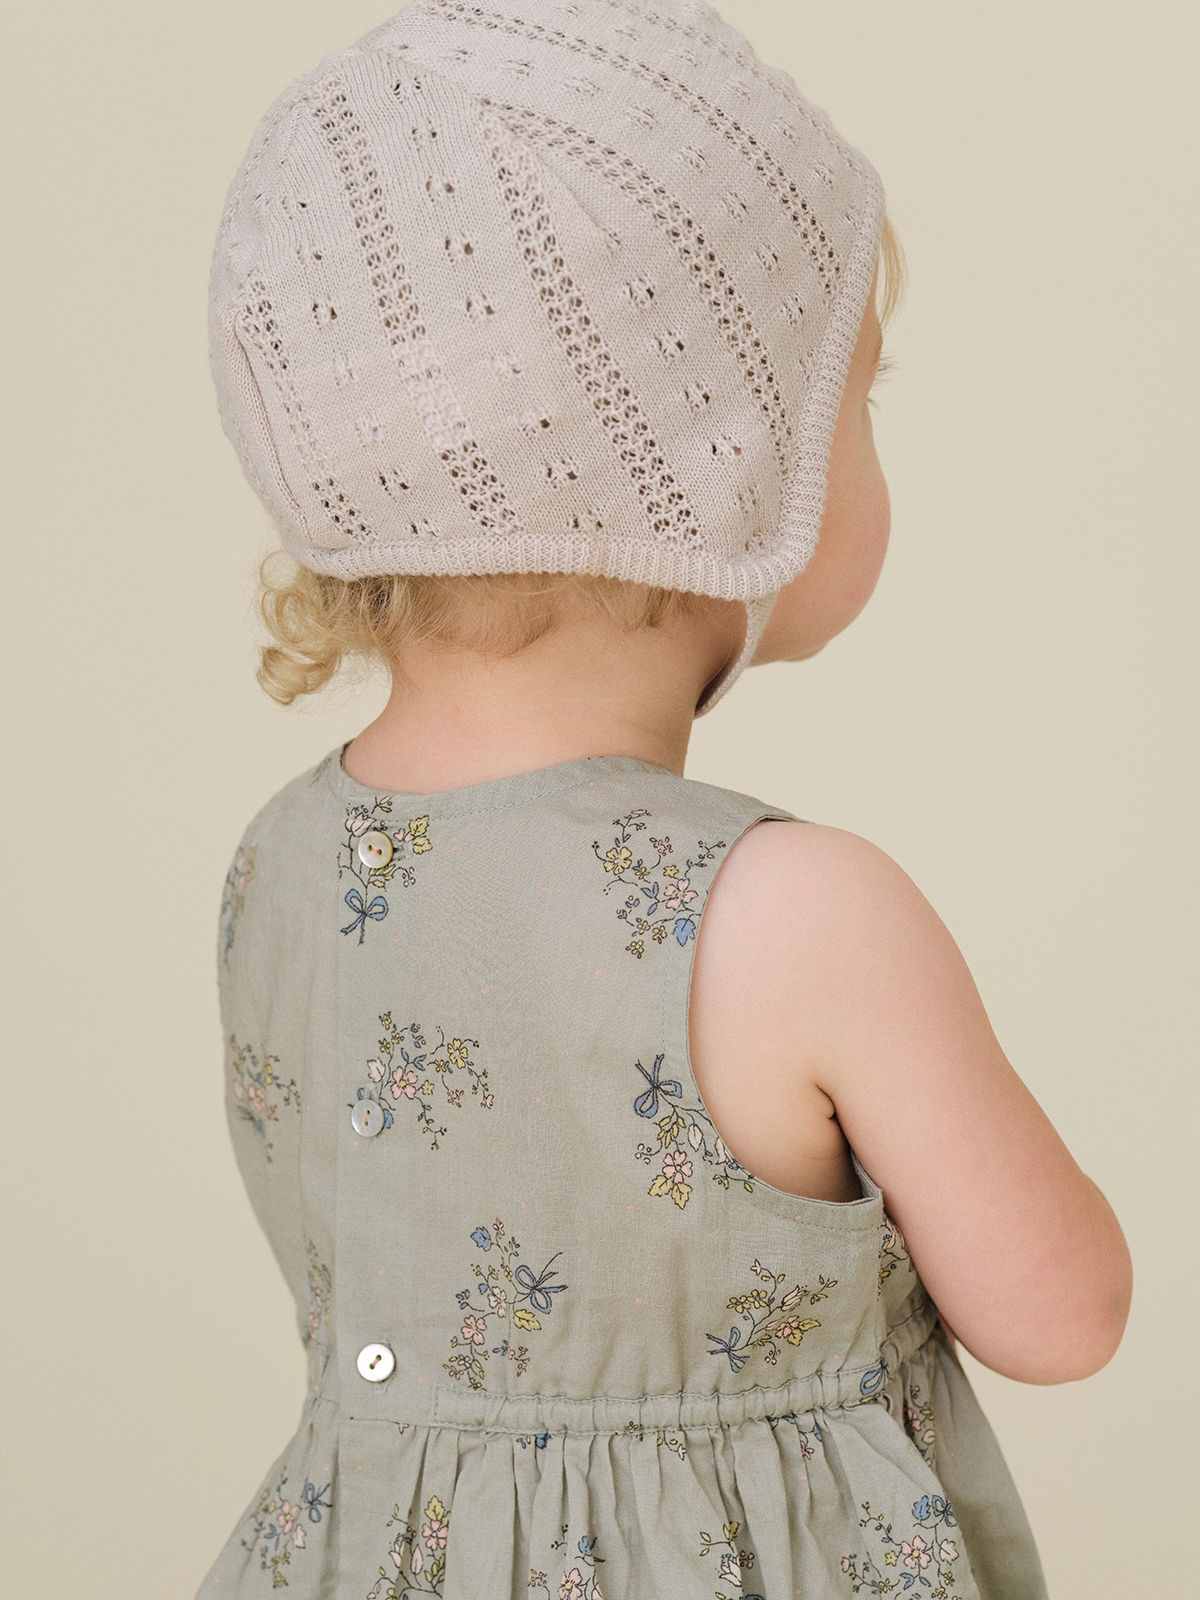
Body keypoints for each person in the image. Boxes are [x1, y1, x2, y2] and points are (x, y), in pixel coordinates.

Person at [199, 3, 1132, 1596]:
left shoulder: (280, 862)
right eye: (856, 400)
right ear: (722, 472)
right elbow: (1064, 1315)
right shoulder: (796, 909)